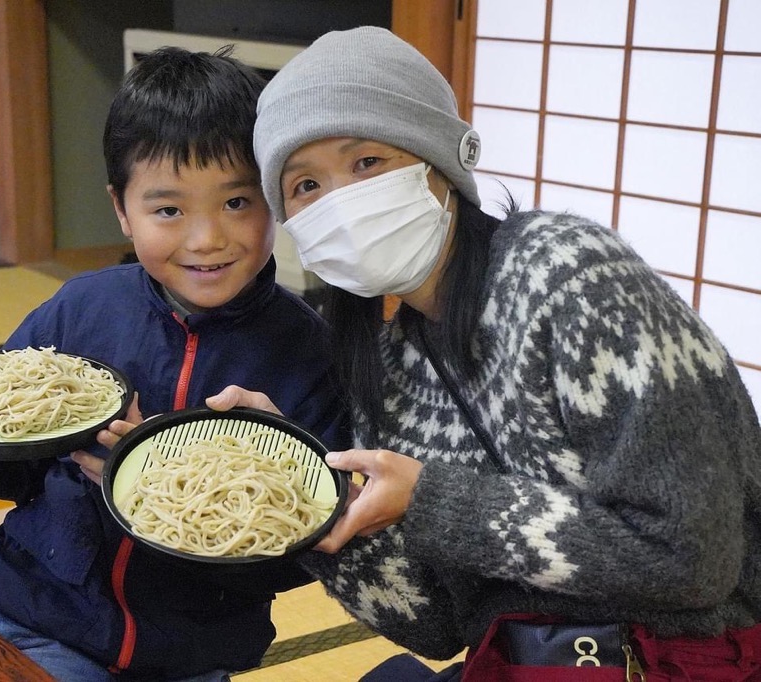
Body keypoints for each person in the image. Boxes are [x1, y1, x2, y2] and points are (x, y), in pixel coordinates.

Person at [207, 25, 761, 680]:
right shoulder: (386, 368)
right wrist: (301, 496)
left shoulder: (572, 277)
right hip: (536, 656)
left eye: (366, 164)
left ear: (437, 159)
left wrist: (431, 501)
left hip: (694, 652)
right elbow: (439, 624)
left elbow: (688, 561)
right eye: (305, 187)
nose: (342, 203)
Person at [0, 46, 348, 681]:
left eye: (237, 203)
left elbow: (303, 548)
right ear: (121, 209)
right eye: (168, 210)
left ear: (272, 199)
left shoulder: (308, 348)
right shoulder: (83, 307)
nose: (206, 238)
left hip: (196, 649)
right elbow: (7, 479)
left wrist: (165, 476)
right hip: (43, 612)